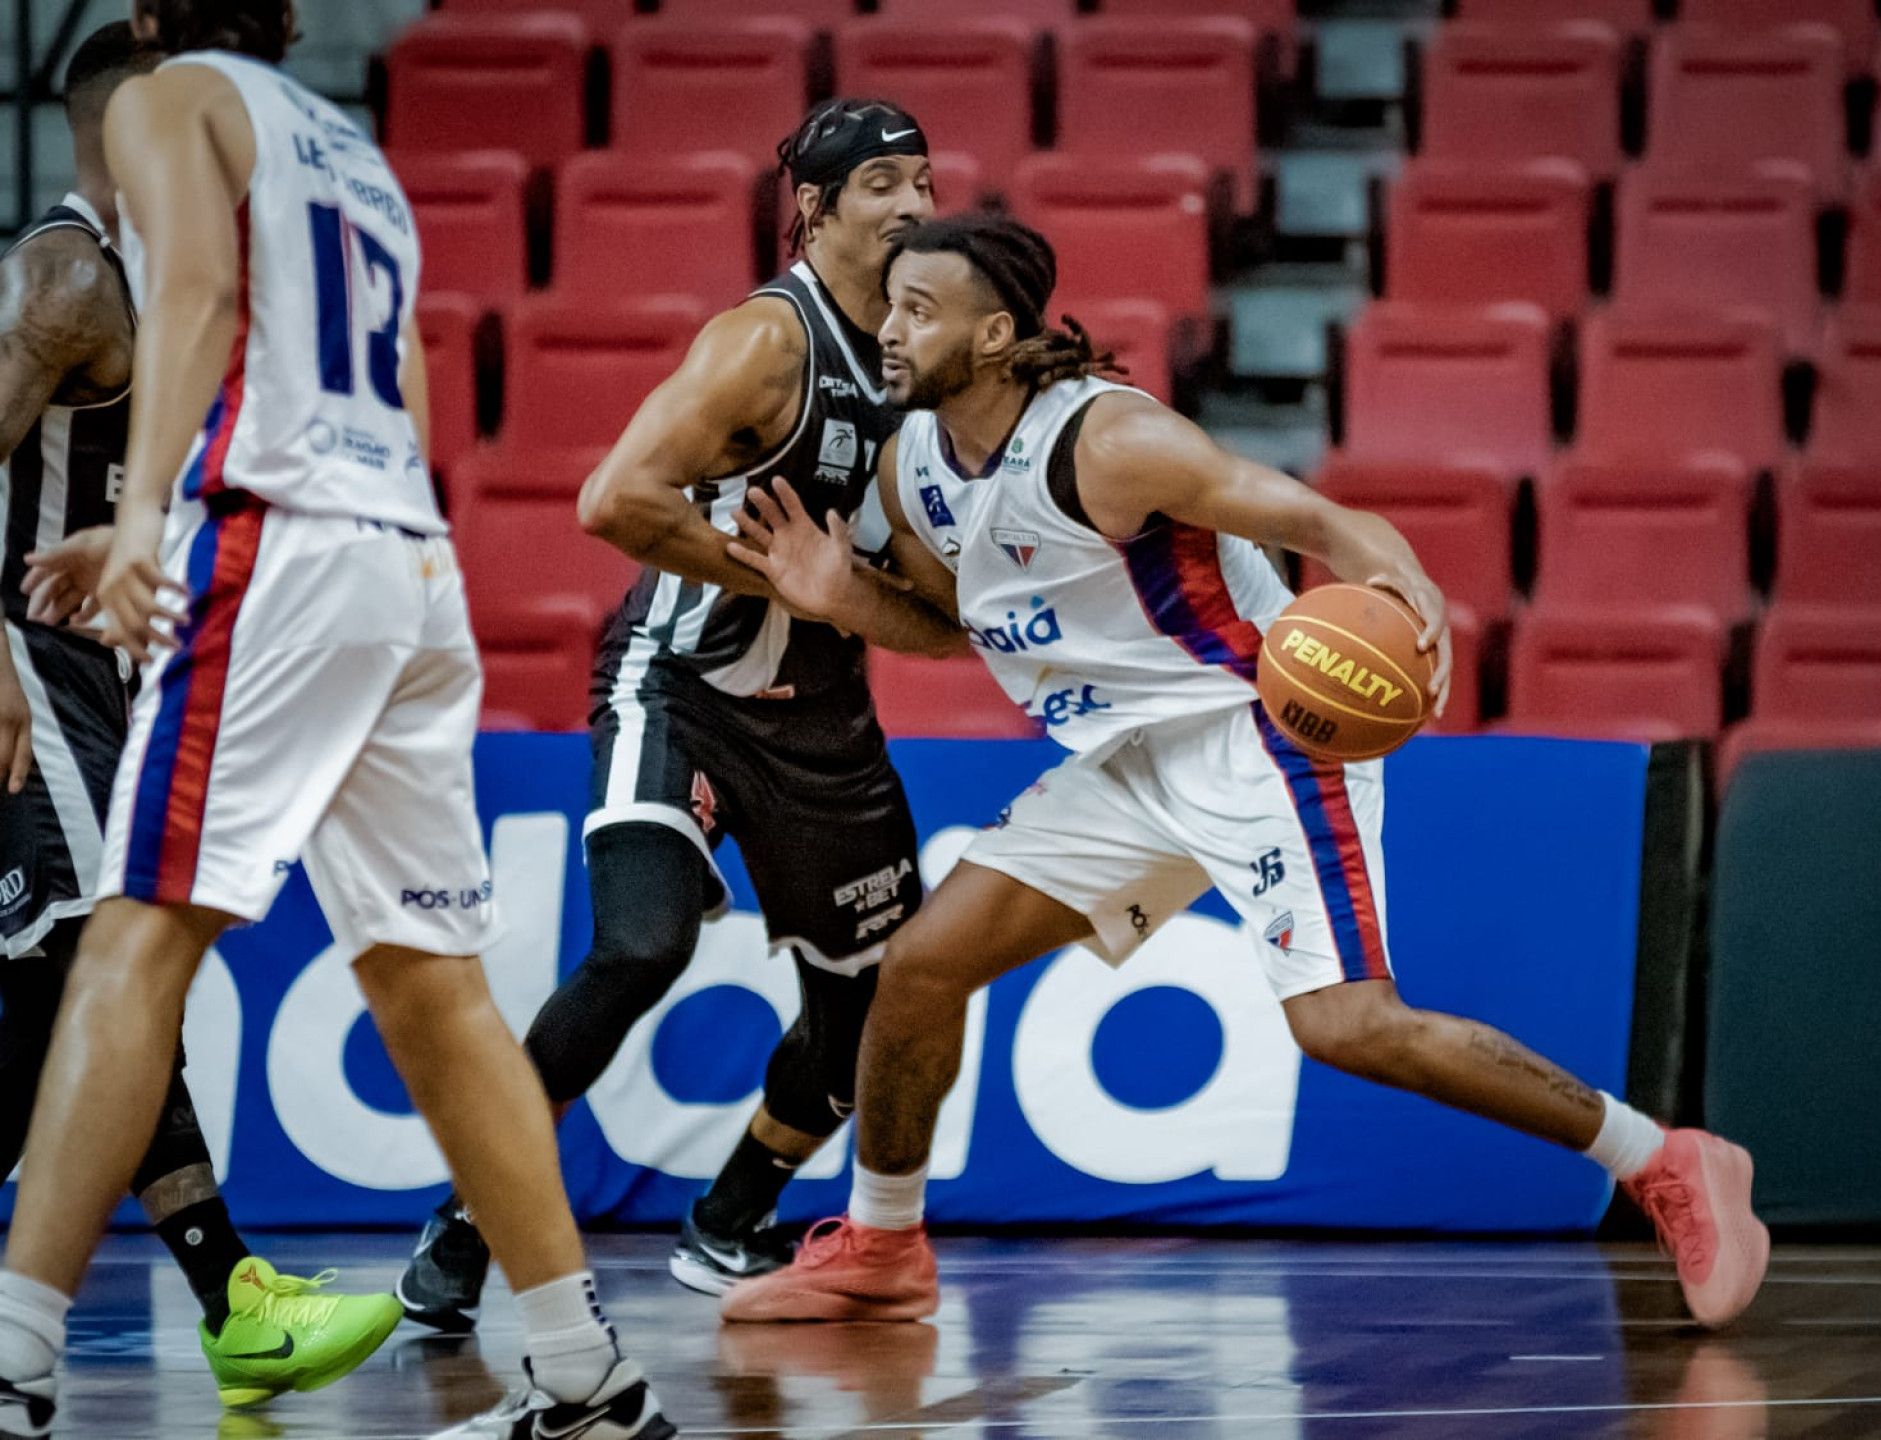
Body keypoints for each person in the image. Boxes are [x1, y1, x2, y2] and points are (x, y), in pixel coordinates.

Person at [713, 213, 1771, 1331]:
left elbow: (1323, 517)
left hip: (1253, 740)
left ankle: (1662, 1157)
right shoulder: (910, 460)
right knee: (919, 971)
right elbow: (948, 624)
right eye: (887, 303)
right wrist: (837, 598)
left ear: (991, 335)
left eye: (917, 310)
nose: (887, 328)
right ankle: (883, 1245)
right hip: (1123, 762)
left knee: (1350, 1026)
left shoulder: (1109, 445)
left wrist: (1408, 597)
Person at [0, 4, 673, 1438]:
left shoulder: (167, 93)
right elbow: (405, 386)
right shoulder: (353, 152)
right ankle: (582, 1371)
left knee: (132, 936)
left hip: (281, 546)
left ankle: (11, 1357)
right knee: (433, 986)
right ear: (295, 19)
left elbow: (187, 296)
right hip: (406, 563)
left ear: (143, 13)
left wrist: (138, 523)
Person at [398, 96, 950, 1323]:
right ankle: (472, 1218)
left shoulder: (921, 358)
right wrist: (781, 578)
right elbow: (612, 501)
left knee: (878, 1013)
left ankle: (732, 1217)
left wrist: (884, 598)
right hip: (680, 687)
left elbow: (933, 607)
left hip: (825, 724)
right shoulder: (765, 342)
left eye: (925, 181)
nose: (917, 204)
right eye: (885, 185)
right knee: (640, 944)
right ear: (814, 208)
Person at [0, 20, 402, 1411]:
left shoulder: (173, 281)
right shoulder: (65, 275)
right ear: (123, 134)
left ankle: (228, 1290)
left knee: (83, 990)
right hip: (26, 674)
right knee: (82, 977)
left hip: (97, 677)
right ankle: (228, 1288)